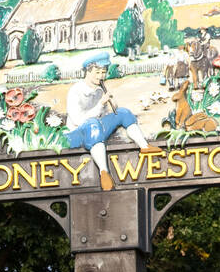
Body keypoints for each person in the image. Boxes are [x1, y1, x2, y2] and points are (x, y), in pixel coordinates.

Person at [65, 50, 163, 191]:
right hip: (78, 134)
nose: (101, 76)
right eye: (97, 72)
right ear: (88, 71)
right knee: (93, 125)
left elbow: (104, 115)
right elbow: (78, 120)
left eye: (103, 72)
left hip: (96, 129)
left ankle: (144, 147)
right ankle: (104, 173)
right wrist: (101, 104)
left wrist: (112, 103)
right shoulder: (76, 91)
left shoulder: (100, 90)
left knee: (123, 113)